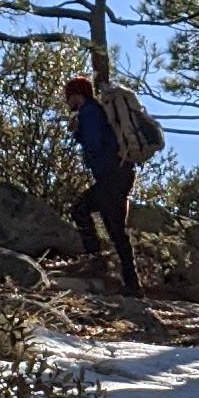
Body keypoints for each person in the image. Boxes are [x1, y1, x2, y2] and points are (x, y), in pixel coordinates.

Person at [61, 70, 142, 293]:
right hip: (121, 175)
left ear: (77, 95)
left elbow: (95, 143)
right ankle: (132, 284)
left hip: (112, 177)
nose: (66, 101)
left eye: (68, 96)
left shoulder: (89, 112)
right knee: (116, 230)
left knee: (80, 209)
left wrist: (79, 133)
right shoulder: (94, 111)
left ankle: (96, 261)